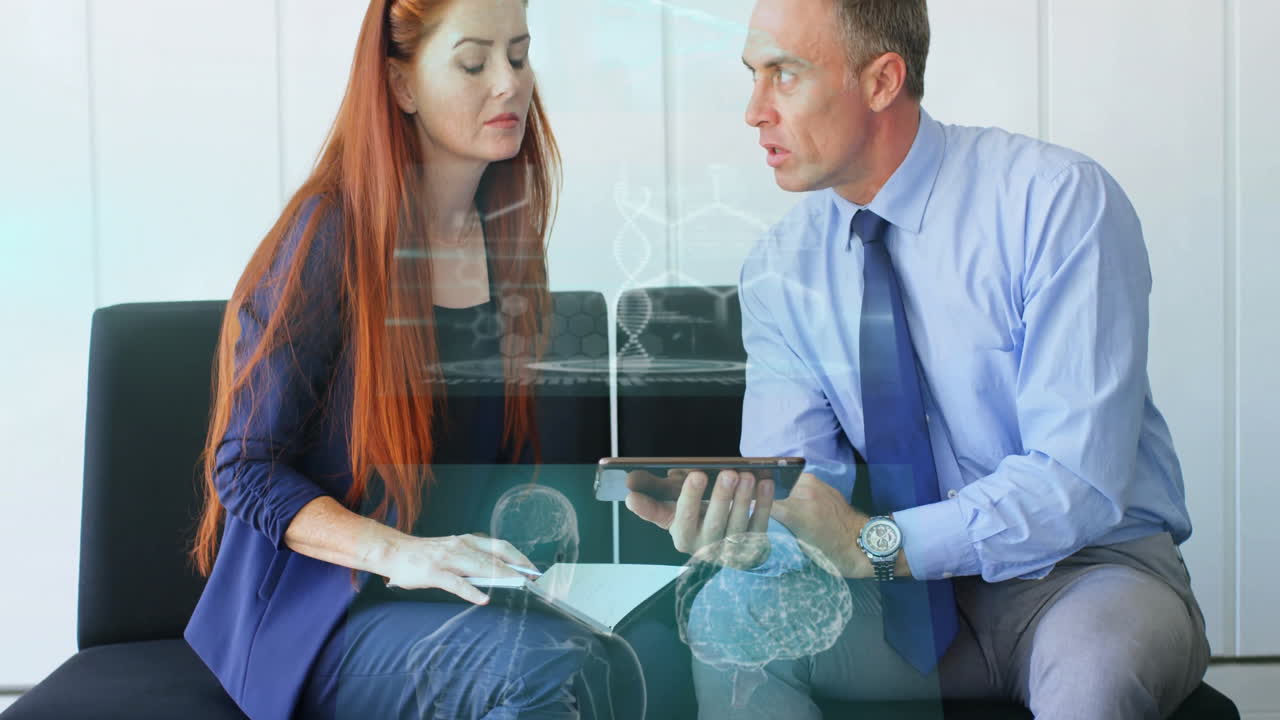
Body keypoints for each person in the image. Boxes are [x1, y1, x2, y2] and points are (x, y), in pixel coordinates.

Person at [625, 0, 1211, 718]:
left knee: (1092, 676)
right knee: (730, 616)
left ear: (881, 82)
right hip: (899, 606)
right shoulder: (780, 268)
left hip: (1086, 576)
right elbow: (806, 491)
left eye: (784, 76)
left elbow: (1077, 483)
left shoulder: (1055, 202)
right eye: (753, 77)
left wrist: (878, 543)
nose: (754, 112)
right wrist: (751, 537)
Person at [185, 1, 637, 718]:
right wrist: (398, 552)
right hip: (324, 614)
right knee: (538, 672)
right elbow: (243, 468)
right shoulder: (328, 233)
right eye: (472, 62)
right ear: (400, 86)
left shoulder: (505, 238)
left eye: (519, 56)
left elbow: (496, 469)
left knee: (636, 650)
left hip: (448, 596)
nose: (508, 84)